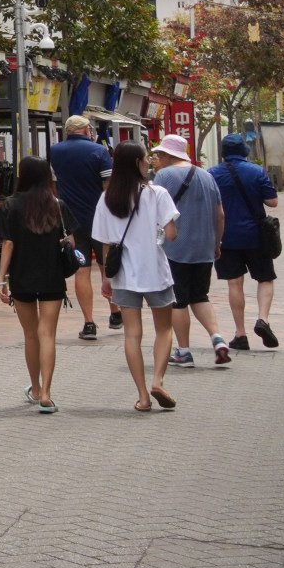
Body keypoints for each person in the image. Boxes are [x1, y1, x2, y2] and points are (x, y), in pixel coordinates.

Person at [93, 141, 181, 412]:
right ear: (136, 163)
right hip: (155, 272)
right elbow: (171, 234)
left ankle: (143, 397)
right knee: (164, 329)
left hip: (124, 276)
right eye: (146, 158)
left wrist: (106, 278)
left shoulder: (107, 198)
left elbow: (105, 243)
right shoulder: (157, 193)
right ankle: (158, 381)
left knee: (131, 334)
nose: (149, 162)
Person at [0, 156, 71, 414]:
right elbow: (69, 240)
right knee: (47, 334)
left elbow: (8, 244)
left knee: (30, 335)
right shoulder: (57, 205)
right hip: (52, 275)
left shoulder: (11, 205)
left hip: (22, 276)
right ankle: (47, 394)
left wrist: (1, 278)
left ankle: (35, 388)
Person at [150, 133, 228, 366]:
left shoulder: (163, 176)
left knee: (178, 300)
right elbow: (220, 214)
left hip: (175, 247)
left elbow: (153, 210)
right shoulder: (206, 175)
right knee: (200, 295)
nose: (157, 159)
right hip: (204, 247)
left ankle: (183, 351)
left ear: (166, 155)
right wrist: (216, 244)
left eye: (159, 155)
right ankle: (218, 338)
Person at [210, 133, 281, 351]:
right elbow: (273, 201)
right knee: (265, 278)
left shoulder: (211, 174)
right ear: (244, 151)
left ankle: (240, 334)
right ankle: (262, 319)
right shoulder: (256, 171)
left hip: (225, 237)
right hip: (256, 236)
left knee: (234, 283)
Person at [49, 114, 114, 339]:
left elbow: (54, 185)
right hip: (100, 218)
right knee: (108, 265)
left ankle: (89, 323)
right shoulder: (99, 151)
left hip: (72, 220)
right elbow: (108, 186)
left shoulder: (55, 151)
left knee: (82, 269)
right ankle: (115, 312)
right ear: (87, 130)